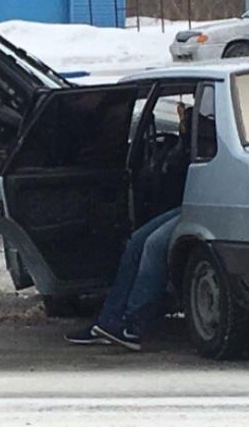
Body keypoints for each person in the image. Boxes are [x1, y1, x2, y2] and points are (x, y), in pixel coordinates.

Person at [65, 103, 193, 352]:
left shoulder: (218, 127)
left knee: (154, 246)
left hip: (209, 204)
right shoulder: (202, 126)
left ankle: (133, 326)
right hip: (191, 203)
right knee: (137, 241)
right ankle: (109, 321)